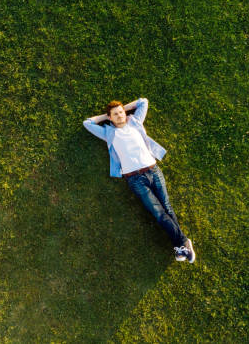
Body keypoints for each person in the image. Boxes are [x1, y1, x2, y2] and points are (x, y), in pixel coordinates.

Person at [83, 98, 196, 263]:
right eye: (115, 114)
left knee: (167, 207)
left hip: (153, 170)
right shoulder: (108, 133)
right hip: (135, 179)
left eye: (121, 112)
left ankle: (181, 245)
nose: (120, 115)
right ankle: (183, 242)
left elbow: (143, 102)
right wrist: (105, 116)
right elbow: (87, 123)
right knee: (158, 213)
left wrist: (124, 108)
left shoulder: (135, 122)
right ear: (110, 117)